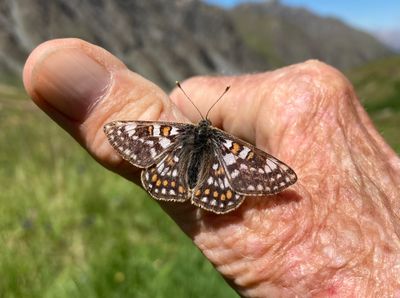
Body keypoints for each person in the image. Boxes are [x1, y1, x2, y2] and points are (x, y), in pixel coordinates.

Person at [23, 38, 400, 297]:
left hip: (171, 165)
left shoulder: (170, 132)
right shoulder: (226, 143)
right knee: (216, 174)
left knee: (179, 164)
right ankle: (204, 189)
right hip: (214, 178)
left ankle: (190, 184)